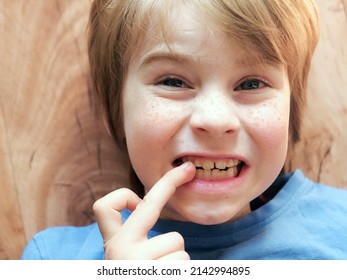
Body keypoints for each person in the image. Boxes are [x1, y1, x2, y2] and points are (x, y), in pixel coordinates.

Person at [21, 0, 347, 260]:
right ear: (116, 111)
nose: (216, 120)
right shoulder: (52, 260)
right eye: (173, 82)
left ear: (291, 113)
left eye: (251, 83)